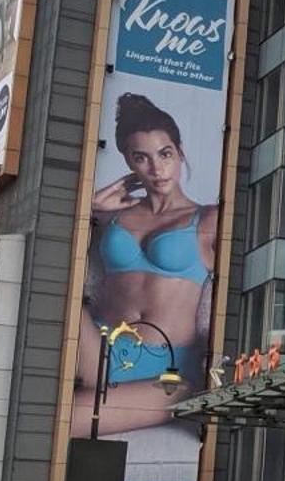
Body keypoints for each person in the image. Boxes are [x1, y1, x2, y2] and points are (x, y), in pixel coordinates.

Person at [83, 94, 218, 429]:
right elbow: (57, 255)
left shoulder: (210, 218)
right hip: (97, 347)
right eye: (141, 157)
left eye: (165, 154)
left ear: (180, 150)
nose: (157, 169)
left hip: (166, 368)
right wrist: (89, 211)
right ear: (128, 162)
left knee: (64, 415)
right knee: (53, 302)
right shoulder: (113, 216)